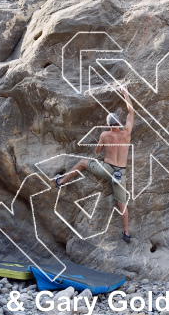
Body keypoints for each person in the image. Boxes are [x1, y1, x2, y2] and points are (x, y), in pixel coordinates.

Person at [55, 86, 135, 243]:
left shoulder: (105, 134)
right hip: (121, 173)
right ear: (119, 122)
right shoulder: (126, 132)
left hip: (106, 169)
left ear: (108, 124)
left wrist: (102, 142)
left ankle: (60, 182)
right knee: (122, 203)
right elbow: (131, 112)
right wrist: (125, 94)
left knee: (82, 163)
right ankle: (126, 232)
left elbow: (98, 152)